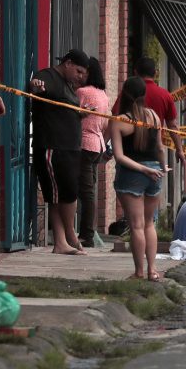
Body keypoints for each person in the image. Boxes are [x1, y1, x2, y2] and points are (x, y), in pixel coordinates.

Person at [29, 49, 90, 256]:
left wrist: (79, 114)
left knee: (65, 194)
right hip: (53, 147)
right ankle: (67, 238)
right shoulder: (47, 76)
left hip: (69, 147)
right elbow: (36, 87)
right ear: (68, 63)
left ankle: (62, 241)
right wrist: (36, 86)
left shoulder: (68, 86)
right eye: (79, 71)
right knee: (59, 195)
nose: (80, 77)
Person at [111, 76, 167, 280]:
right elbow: (160, 148)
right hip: (155, 173)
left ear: (124, 94)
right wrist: (161, 168)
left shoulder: (120, 122)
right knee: (149, 224)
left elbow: (119, 156)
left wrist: (142, 170)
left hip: (132, 175)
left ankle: (139, 272)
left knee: (136, 225)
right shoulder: (153, 116)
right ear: (144, 95)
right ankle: (153, 270)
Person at [112, 57, 185, 163]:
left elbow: (114, 116)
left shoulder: (127, 92)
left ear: (135, 72)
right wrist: (179, 150)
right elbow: (172, 125)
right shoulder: (165, 95)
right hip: (154, 151)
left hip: (128, 152)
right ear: (155, 73)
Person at [76, 57, 110, 248]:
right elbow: (105, 123)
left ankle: (87, 235)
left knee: (86, 192)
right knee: (90, 190)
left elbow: (72, 114)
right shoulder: (103, 95)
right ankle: (88, 231)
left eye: (84, 72)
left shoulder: (82, 92)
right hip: (97, 145)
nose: (81, 75)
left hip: (84, 144)